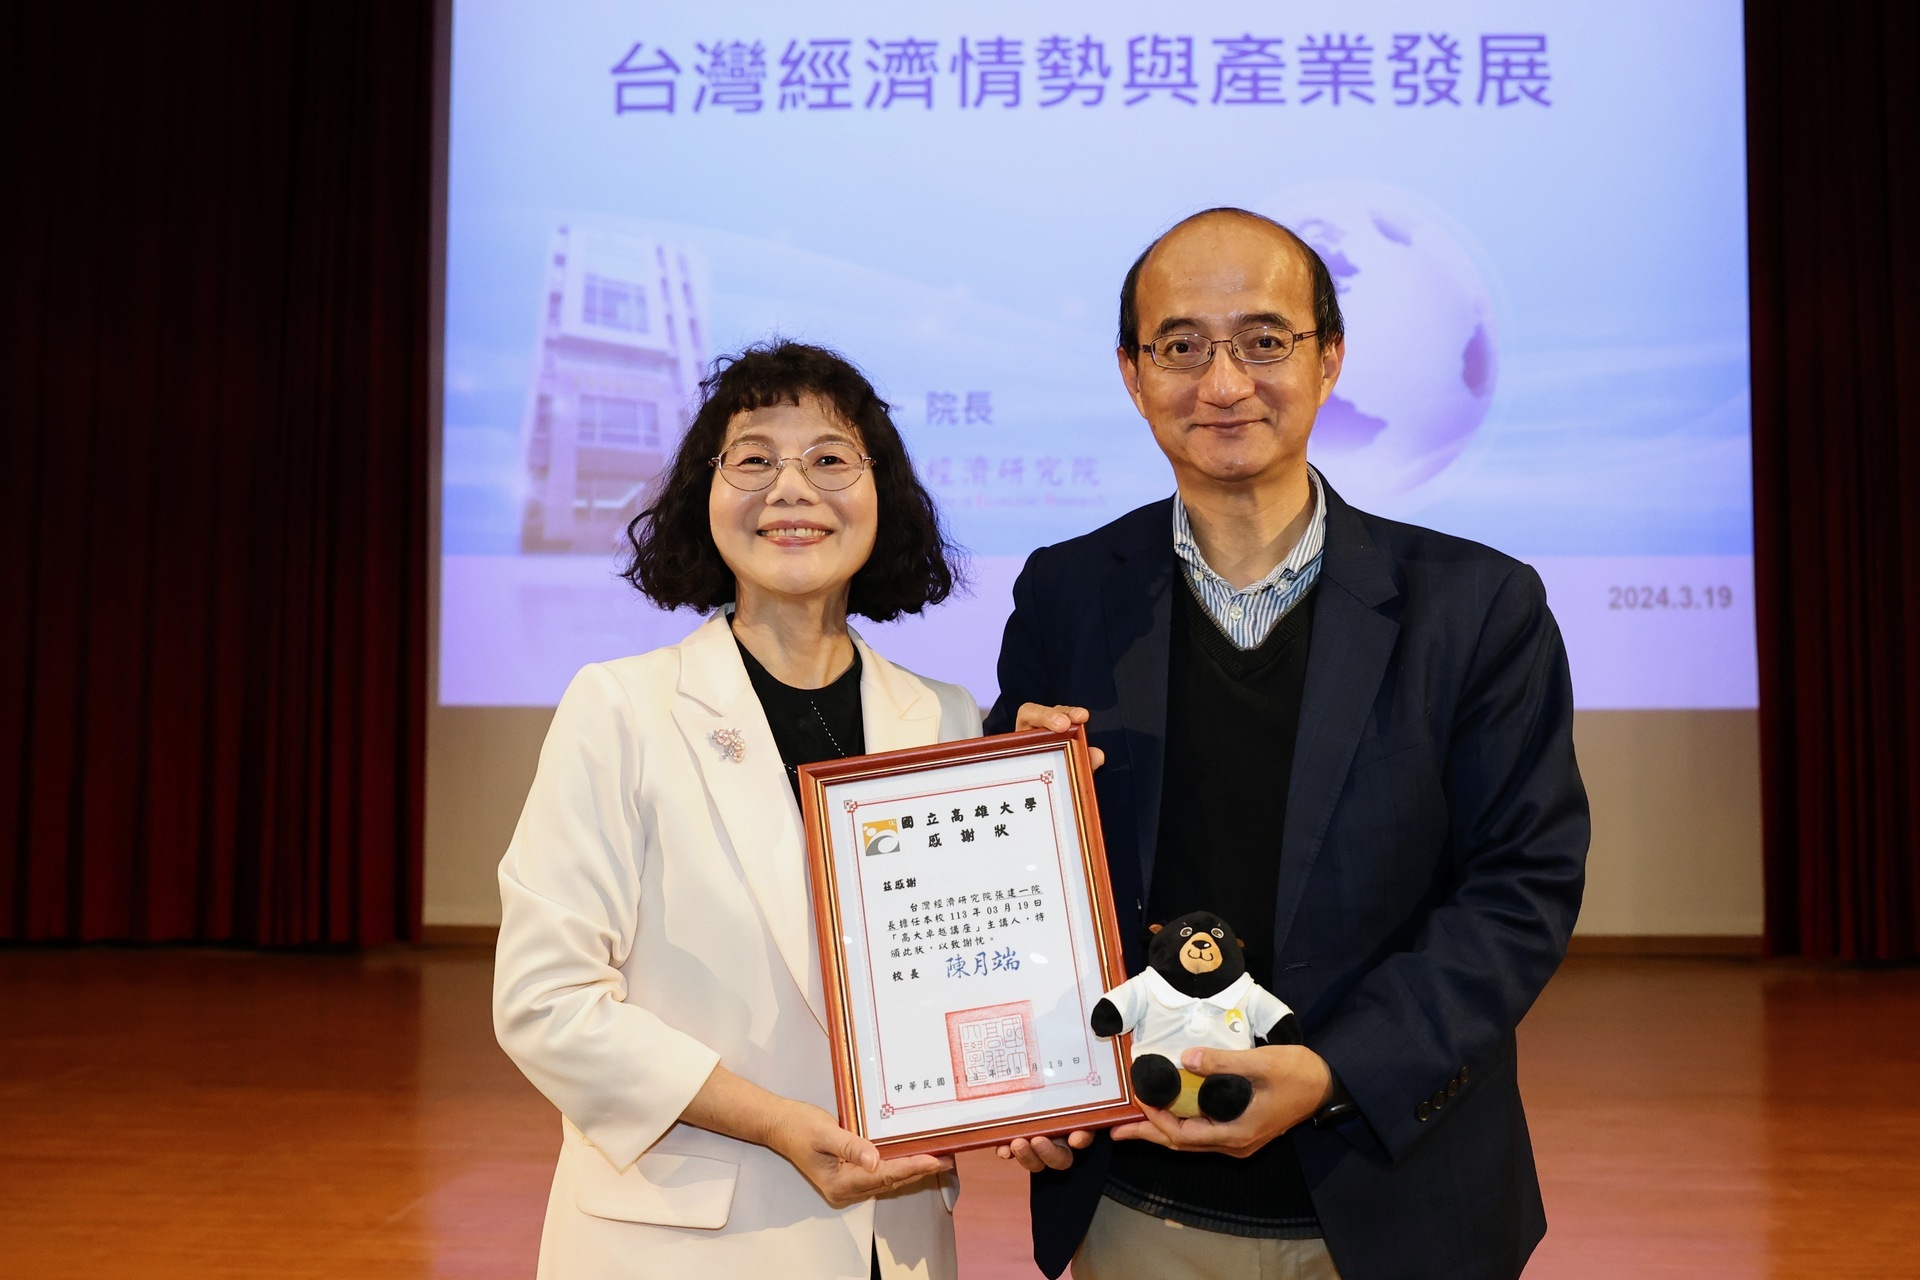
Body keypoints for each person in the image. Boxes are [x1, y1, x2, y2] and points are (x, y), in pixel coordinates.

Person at [987, 208, 1590, 1280]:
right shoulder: (1069, 595)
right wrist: (1026, 1078)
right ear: (1132, 373)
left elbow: (1520, 889)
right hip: (1140, 1200)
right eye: (1181, 345)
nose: (1223, 382)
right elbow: (1026, 889)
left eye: (1265, 340)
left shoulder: (1478, 607)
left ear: (1331, 358)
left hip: (1399, 1194)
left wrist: (1333, 1068)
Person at [494, 342, 981, 1280]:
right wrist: (777, 1123)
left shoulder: (947, 718)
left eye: (830, 459)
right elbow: (544, 1003)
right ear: (704, 496)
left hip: (897, 1237)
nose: (790, 488)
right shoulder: (621, 707)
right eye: (753, 458)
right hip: (685, 1242)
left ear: (885, 496)